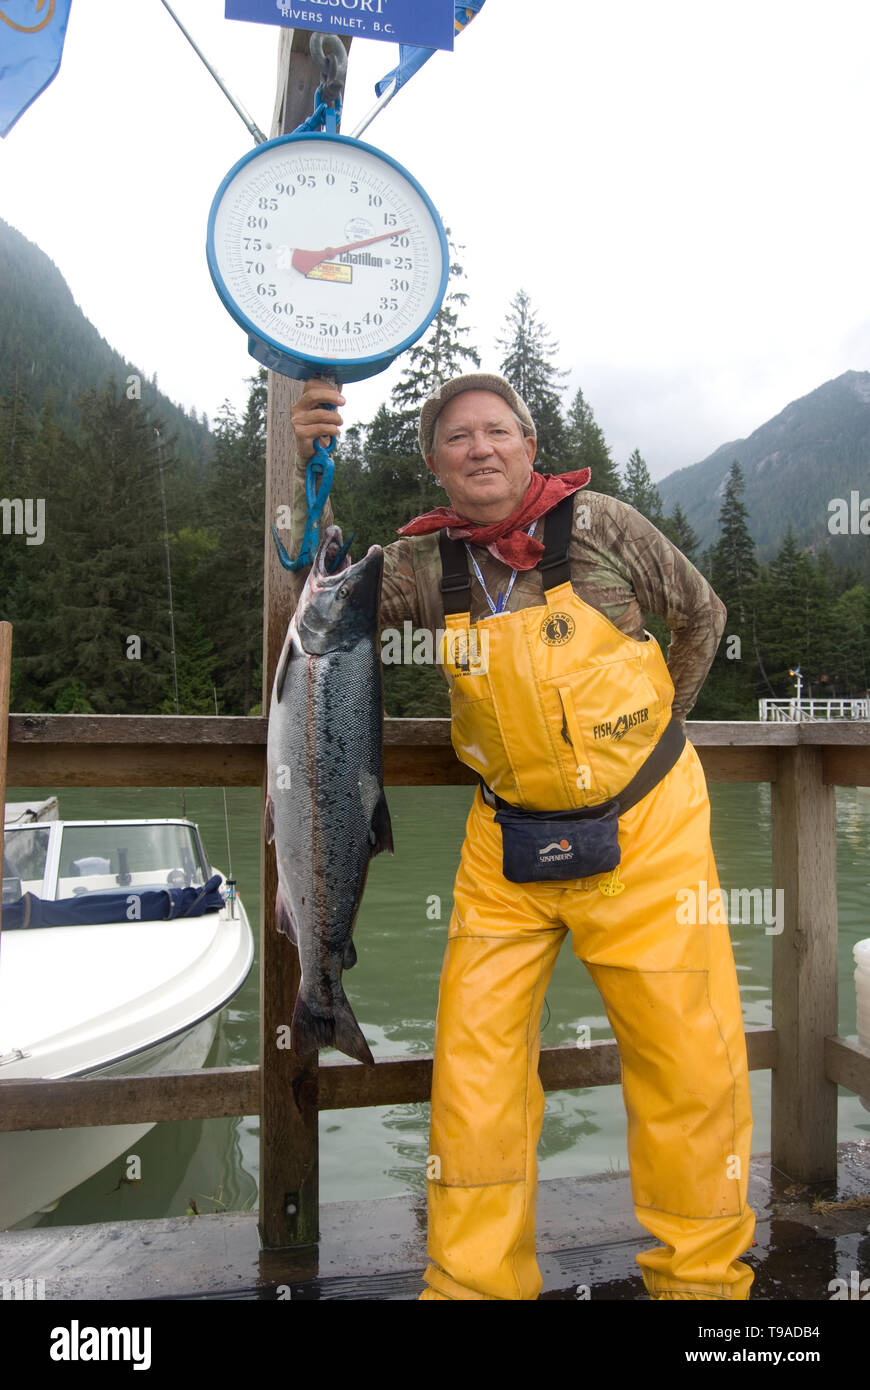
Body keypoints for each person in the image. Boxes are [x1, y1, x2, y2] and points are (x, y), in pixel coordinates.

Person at [289, 372, 755, 1302]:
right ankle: (472, 1286)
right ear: (434, 464)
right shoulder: (422, 568)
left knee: (688, 1066)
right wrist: (309, 467)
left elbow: (703, 616)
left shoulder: (604, 528)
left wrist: (660, 737)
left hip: (651, 833)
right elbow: (315, 592)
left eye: (497, 430)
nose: (480, 449)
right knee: (474, 1079)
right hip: (505, 850)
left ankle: (701, 1289)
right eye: (457, 438)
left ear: (529, 445)